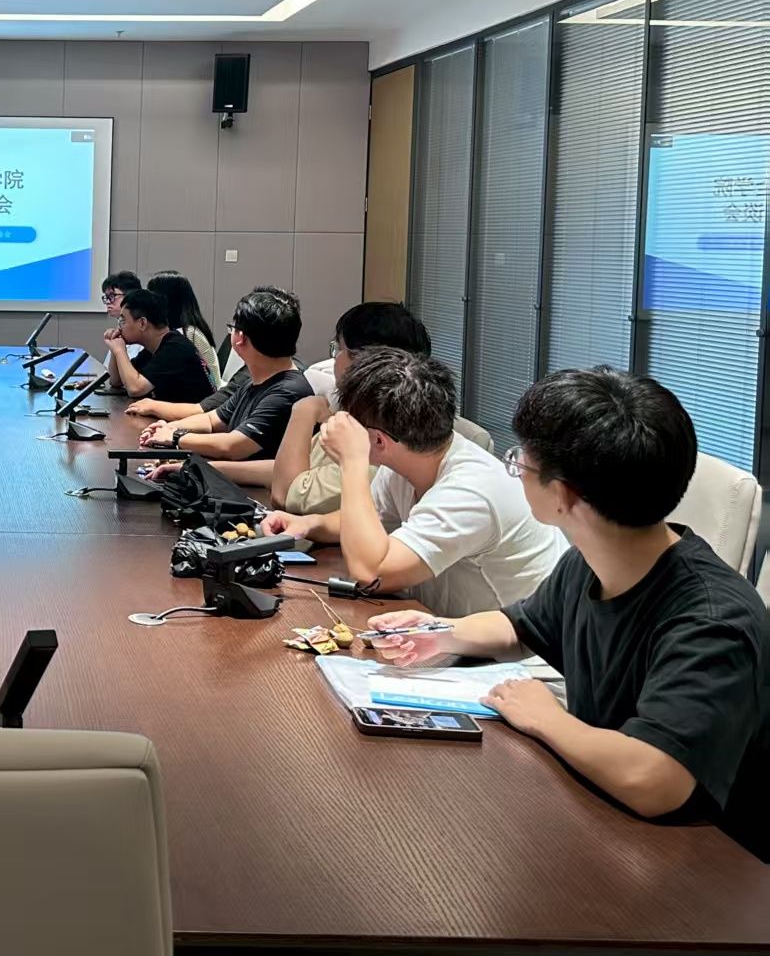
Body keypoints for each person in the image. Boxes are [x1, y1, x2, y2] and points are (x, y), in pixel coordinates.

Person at [369, 368, 766, 861]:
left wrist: (546, 719)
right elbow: (523, 625)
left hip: (704, 866)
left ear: (565, 495)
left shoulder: (711, 620)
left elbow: (655, 778)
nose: (516, 470)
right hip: (604, 823)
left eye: (522, 462)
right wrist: (441, 633)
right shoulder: (594, 558)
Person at [262, 347, 566, 615]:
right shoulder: (411, 457)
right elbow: (369, 520)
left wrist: (352, 462)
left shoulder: (470, 491)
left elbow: (371, 572)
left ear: (378, 440)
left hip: (510, 654)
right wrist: (311, 524)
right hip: (437, 628)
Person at [267, 302, 492, 511]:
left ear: (363, 363)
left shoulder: (386, 438)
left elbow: (286, 494)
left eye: (338, 349)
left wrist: (304, 412)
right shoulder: (358, 414)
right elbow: (298, 469)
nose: (334, 359)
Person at [131, 287, 314, 480]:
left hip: (255, 492)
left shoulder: (287, 391)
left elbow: (233, 446)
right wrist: (170, 428)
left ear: (240, 337)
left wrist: (176, 437)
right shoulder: (256, 381)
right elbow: (213, 420)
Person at [104, 289, 211, 403]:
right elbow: (116, 381)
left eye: (122, 320)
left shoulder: (175, 348)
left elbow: (135, 389)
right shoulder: (153, 348)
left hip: (195, 413)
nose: (119, 327)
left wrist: (120, 351)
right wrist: (115, 348)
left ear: (142, 323)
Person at [146, 270, 221, 394]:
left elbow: (138, 386)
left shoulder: (187, 335)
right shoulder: (182, 331)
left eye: (151, 297)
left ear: (167, 300)